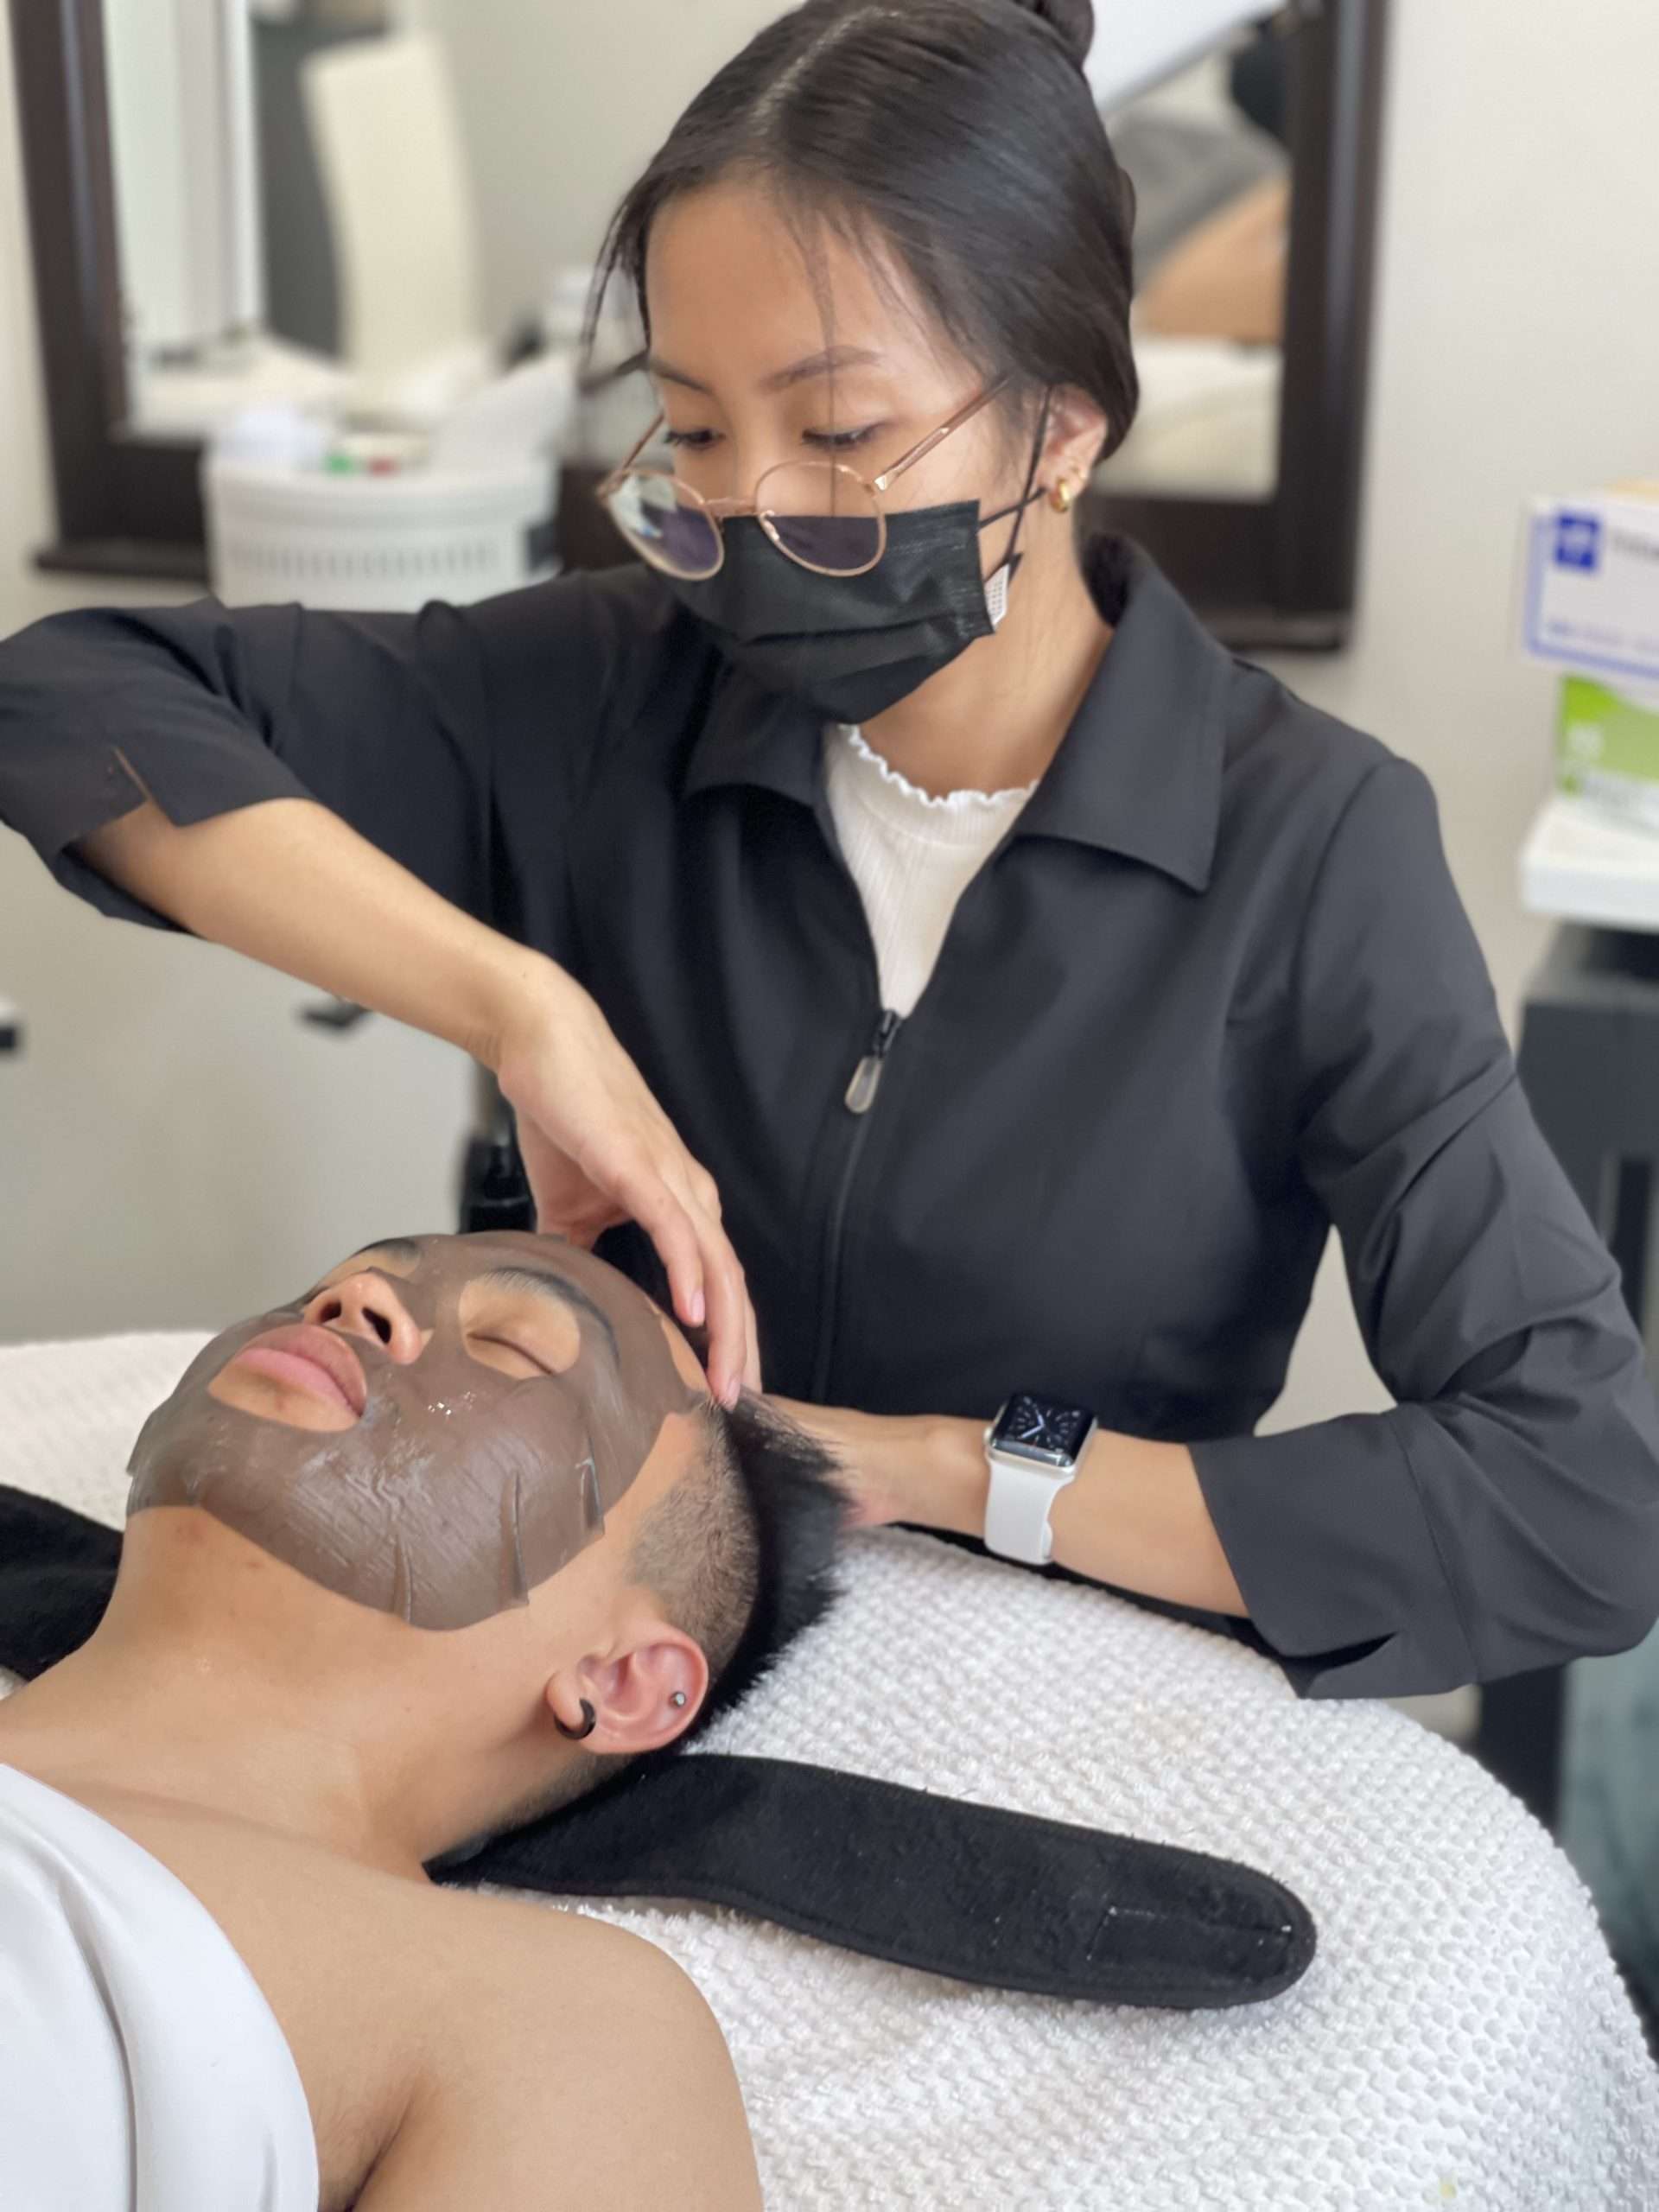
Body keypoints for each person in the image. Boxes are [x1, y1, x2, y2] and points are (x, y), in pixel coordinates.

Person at [1, 0, 1656, 1702]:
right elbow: (69, 696)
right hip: (579, 1669)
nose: (754, 514)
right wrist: (520, 1008)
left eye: (844, 433)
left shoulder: (1313, 849)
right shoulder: (606, 692)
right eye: (698, 432)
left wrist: (948, 1470)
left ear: (1066, 425)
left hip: (1046, 1698)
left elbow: (1570, 1496)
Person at [0, 1230, 845, 2210]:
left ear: (618, 1681)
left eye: (510, 1348)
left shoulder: (543, 2024)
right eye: (325, 1284)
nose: (352, 1296)